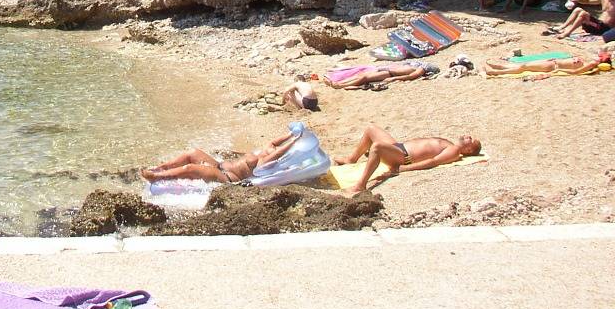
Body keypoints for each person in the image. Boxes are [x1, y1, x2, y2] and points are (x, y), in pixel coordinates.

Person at [334, 124, 481, 194]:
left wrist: (403, 168)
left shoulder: (454, 151)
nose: (468, 135)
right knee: (371, 129)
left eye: (471, 139)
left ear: (468, 150)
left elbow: (434, 161)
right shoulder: (450, 144)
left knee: (377, 146)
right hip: (398, 147)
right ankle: (351, 159)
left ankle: (361, 184)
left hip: (403, 157)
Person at [141, 127, 303, 184]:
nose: (272, 148)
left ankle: (158, 177)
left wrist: (294, 142)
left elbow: (279, 151)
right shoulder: (267, 150)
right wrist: (290, 134)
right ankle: (160, 168)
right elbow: (274, 143)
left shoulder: (266, 162)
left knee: (191, 168)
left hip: (226, 177)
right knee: (193, 153)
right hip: (219, 165)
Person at [546, 0, 615, 40]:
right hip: (596, 25)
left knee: (584, 14)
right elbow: (588, 1)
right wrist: (575, 0)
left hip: (604, 29)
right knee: (578, 9)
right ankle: (561, 27)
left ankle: (567, 33)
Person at [324, 60, 439, 89]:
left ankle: (339, 85)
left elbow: (410, 77)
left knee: (364, 77)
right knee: (360, 75)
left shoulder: (422, 68)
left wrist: (394, 79)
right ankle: (338, 82)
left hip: (388, 73)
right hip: (385, 69)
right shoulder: (416, 64)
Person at [485, 53, 607, 78]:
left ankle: (496, 72)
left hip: (552, 67)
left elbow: (575, 72)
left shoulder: (591, 63)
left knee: (524, 67)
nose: (596, 55)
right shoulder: (587, 60)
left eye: (599, 56)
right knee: (524, 64)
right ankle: (500, 67)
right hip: (553, 62)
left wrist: (557, 71)